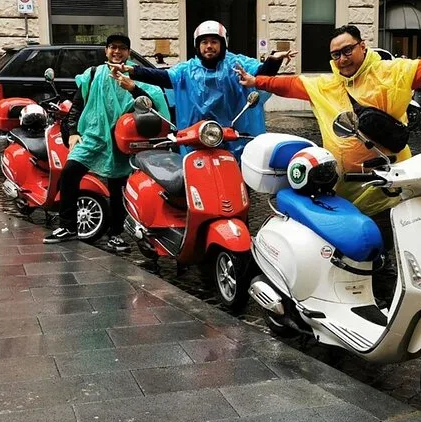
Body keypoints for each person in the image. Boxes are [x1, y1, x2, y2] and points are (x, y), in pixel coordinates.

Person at [236, 22, 421, 219]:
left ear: (362, 46)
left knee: (397, 235)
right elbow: (289, 84)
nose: (342, 58)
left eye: (347, 50)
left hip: (392, 181)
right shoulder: (326, 85)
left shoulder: (390, 72)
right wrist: (256, 81)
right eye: (336, 55)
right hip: (346, 185)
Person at [43, 34, 170, 250]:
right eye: (113, 47)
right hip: (92, 136)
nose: (117, 51)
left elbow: (154, 108)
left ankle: (115, 234)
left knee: (117, 187)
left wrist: (133, 88)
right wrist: (72, 132)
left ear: (128, 53)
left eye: (122, 48)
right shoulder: (93, 74)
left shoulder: (138, 78)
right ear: (106, 50)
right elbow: (77, 104)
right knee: (70, 172)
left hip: (120, 141)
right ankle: (68, 226)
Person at [110, 20, 297, 159]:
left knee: (238, 186)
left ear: (222, 44)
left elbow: (261, 76)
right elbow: (164, 77)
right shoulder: (187, 70)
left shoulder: (236, 64)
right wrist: (133, 70)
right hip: (195, 139)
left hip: (233, 138)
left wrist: (274, 60)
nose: (209, 46)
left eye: (214, 41)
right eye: (204, 42)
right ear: (197, 45)